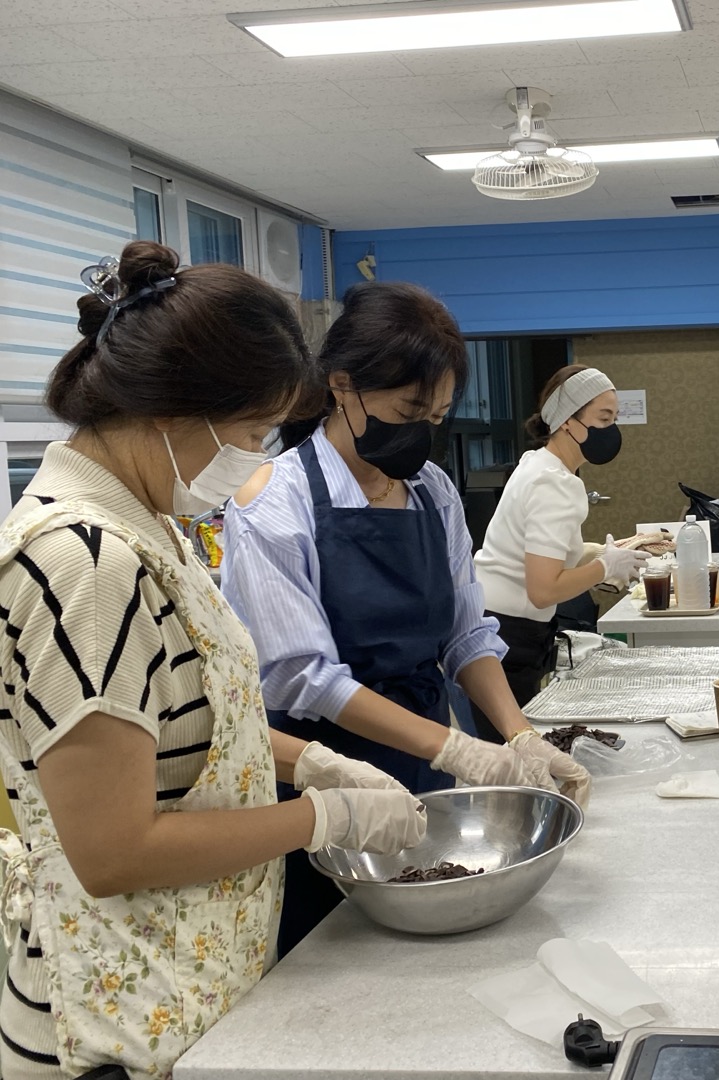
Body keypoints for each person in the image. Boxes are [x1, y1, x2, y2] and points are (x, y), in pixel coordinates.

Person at [0, 243, 426, 1080]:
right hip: (111, 1021)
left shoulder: (147, 524)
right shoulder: (83, 562)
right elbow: (114, 850)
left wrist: (316, 762)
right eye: (246, 432)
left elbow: (174, 722)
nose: (254, 458)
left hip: (185, 985)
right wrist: (323, 821)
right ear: (169, 410)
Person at [222, 282, 589, 957]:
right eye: (409, 408)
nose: (424, 429)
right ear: (341, 386)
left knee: (434, 946)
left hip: (422, 769)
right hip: (324, 775)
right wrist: (454, 746)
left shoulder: (431, 492)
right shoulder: (274, 504)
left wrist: (517, 735)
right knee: (337, 961)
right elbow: (307, 679)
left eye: (440, 413)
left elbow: (467, 634)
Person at [473, 365, 649, 720]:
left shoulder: (536, 465)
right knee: (518, 760)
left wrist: (602, 551)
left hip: (489, 628)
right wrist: (605, 567)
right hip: (509, 636)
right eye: (603, 418)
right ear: (568, 420)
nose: (611, 429)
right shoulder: (555, 483)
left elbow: (536, 554)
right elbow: (543, 588)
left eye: (614, 418)